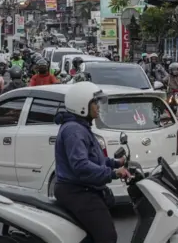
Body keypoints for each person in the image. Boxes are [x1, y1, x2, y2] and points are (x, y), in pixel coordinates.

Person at [53, 81, 131, 243]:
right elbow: (81, 166)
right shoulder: (74, 130)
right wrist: (113, 173)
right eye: (95, 103)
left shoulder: (81, 127)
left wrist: (116, 163)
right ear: (82, 105)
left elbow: (95, 159)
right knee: (107, 237)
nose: (98, 106)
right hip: (77, 192)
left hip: (83, 188)